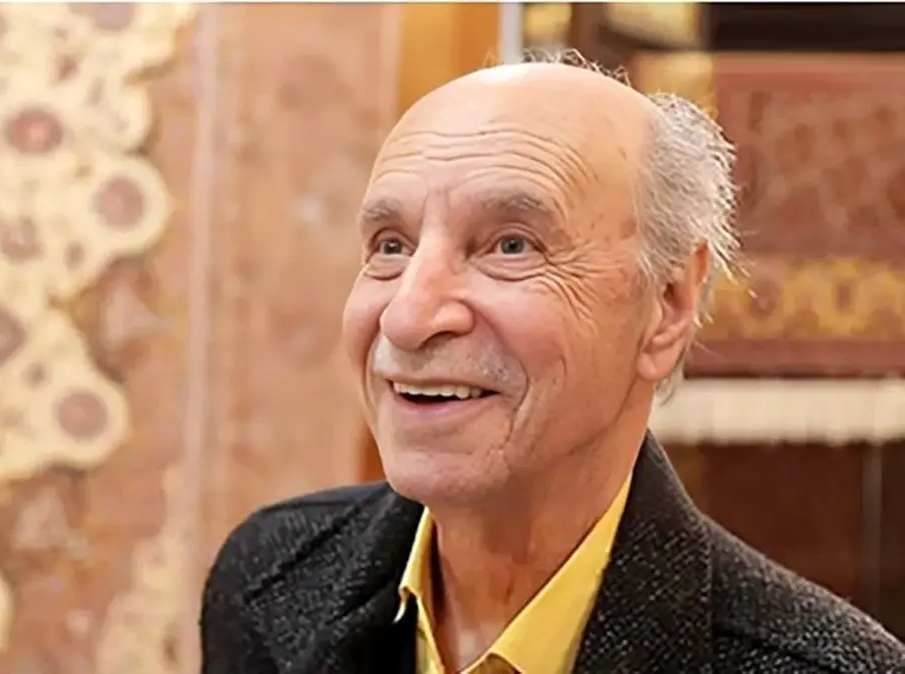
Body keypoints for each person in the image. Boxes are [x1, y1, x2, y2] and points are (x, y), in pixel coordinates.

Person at [198, 52, 905, 674]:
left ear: (666, 305)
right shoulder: (270, 581)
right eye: (390, 246)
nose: (407, 317)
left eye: (511, 245)